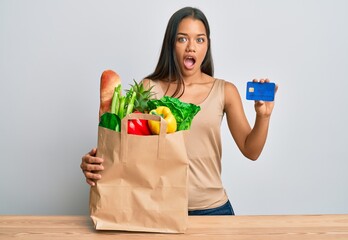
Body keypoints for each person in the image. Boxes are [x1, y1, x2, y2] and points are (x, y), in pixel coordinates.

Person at [80, 6, 278, 216]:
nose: (191, 47)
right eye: (182, 39)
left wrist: (263, 116)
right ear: (171, 44)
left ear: (207, 45)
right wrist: (93, 164)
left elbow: (251, 151)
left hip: (213, 210)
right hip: (159, 210)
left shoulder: (225, 91)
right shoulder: (149, 89)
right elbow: (128, 153)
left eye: (200, 39)